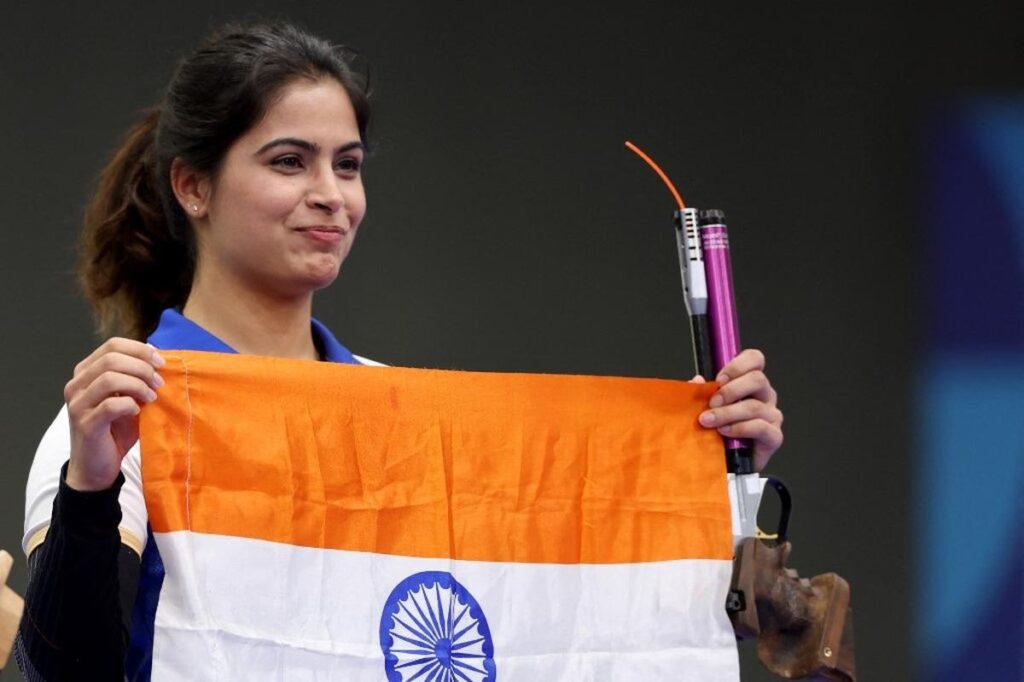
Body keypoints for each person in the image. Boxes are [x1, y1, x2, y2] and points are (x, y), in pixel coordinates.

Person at [17, 20, 783, 681]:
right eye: (290, 162)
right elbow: (66, 667)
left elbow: (566, 617)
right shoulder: (119, 418)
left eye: (346, 165)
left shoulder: (396, 409)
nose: (331, 194)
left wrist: (708, 472)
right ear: (193, 185)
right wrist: (90, 487)